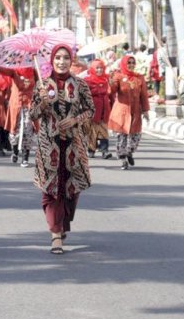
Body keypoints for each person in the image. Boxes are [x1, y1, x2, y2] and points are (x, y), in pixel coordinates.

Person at [30, 42, 94, 255]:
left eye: (66, 57)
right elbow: (33, 115)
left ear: (71, 60)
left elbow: (90, 110)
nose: (62, 61)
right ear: (52, 60)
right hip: (49, 145)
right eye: (58, 58)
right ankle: (55, 235)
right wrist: (42, 104)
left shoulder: (80, 85)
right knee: (51, 189)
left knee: (71, 190)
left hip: (74, 145)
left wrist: (75, 119)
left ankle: (63, 223)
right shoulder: (42, 85)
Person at [108, 55, 150, 170]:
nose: (131, 64)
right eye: (129, 62)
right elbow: (111, 91)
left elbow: (144, 96)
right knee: (122, 137)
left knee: (134, 137)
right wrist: (111, 81)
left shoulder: (139, 78)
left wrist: (146, 111)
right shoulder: (118, 76)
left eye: (133, 62)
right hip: (122, 111)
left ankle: (129, 153)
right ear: (123, 64)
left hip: (135, 111)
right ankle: (123, 160)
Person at [84, 59, 113, 159]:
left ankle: (105, 151)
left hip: (104, 108)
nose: (100, 70)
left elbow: (111, 94)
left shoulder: (106, 79)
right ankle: (91, 150)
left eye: (101, 68)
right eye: (97, 68)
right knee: (92, 131)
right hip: (93, 109)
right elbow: (84, 95)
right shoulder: (87, 81)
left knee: (104, 130)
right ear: (92, 69)